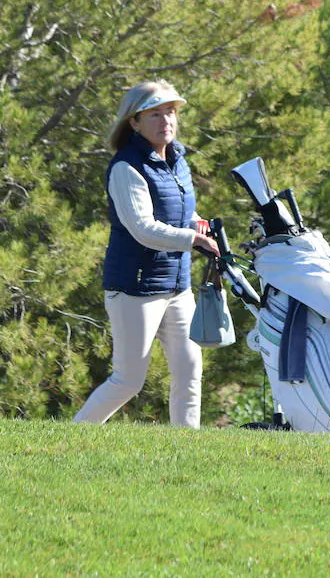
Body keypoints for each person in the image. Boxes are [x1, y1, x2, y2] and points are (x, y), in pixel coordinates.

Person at [73, 80, 217, 428]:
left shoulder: (177, 160)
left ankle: (188, 449)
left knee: (189, 368)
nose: (165, 120)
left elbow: (177, 213)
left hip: (176, 286)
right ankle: (76, 435)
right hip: (134, 290)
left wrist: (197, 225)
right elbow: (142, 229)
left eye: (170, 112)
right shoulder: (126, 167)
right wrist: (193, 241)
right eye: (155, 114)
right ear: (134, 122)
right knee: (128, 380)